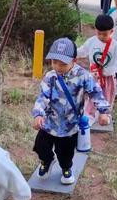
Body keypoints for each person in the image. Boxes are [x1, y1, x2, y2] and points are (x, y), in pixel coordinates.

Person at [33, 38, 110, 184]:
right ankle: (46, 161)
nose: (58, 67)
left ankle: (66, 168)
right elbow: (42, 96)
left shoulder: (83, 76)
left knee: (65, 152)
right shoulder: (50, 77)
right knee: (41, 146)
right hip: (50, 122)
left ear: (74, 60)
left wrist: (103, 112)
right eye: (54, 62)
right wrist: (38, 114)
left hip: (70, 125)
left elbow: (96, 92)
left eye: (63, 64)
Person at [78, 15, 117, 118]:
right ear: (95, 30)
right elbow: (83, 50)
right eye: (98, 33)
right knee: (92, 96)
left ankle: (104, 115)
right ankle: (89, 115)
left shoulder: (115, 46)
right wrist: (74, 54)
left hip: (108, 77)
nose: (101, 36)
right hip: (94, 76)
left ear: (111, 32)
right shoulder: (92, 41)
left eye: (105, 34)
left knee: (107, 96)